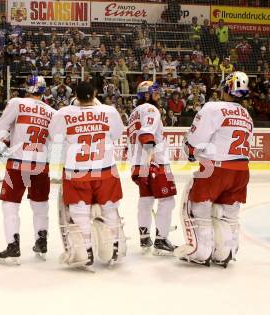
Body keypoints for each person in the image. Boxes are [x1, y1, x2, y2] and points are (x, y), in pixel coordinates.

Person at [49, 82, 127, 271]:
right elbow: (117, 134)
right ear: (94, 93)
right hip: (105, 169)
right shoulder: (109, 111)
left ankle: (86, 251)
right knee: (110, 209)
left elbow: (55, 137)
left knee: (79, 213)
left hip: (77, 171)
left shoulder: (63, 113)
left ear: (75, 94)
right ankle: (115, 248)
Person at [178, 71, 253, 268]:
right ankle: (226, 252)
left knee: (197, 210)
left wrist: (190, 150)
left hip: (215, 170)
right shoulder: (246, 114)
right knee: (229, 215)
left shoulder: (213, 108)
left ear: (227, 88)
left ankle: (201, 253)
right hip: (241, 171)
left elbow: (195, 140)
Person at [0, 76, 56, 264]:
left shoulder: (17, 102)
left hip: (18, 163)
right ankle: (41, 241)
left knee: (10, 204)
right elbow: (55, 139)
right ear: (43, 90)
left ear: (27, 88)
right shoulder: (52, 112)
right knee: (40, 204)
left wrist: (8, 142)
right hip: (41, 164)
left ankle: (13, 246)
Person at [127, 81, 177, 255]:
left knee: (146, 200)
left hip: (139, 164)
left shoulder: (133, 113)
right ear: (146, 94)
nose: (158, 95)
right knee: (168, 200)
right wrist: (150, 153)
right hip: (154, 162)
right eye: (155, 92)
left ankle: (144, 236)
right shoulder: (150, 109)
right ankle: (161, 240)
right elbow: (146, 133)